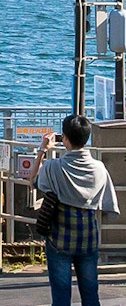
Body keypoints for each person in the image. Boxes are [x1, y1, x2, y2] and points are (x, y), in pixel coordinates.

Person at [34, 114, 120, 306]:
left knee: (61, 296)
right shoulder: (99, 168)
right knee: (90, 294)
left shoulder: (53, 167)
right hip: (88, 238)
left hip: (59, 238)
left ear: (64, 138)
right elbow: (107, 204)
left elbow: (34, 181)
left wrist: (42, 150)